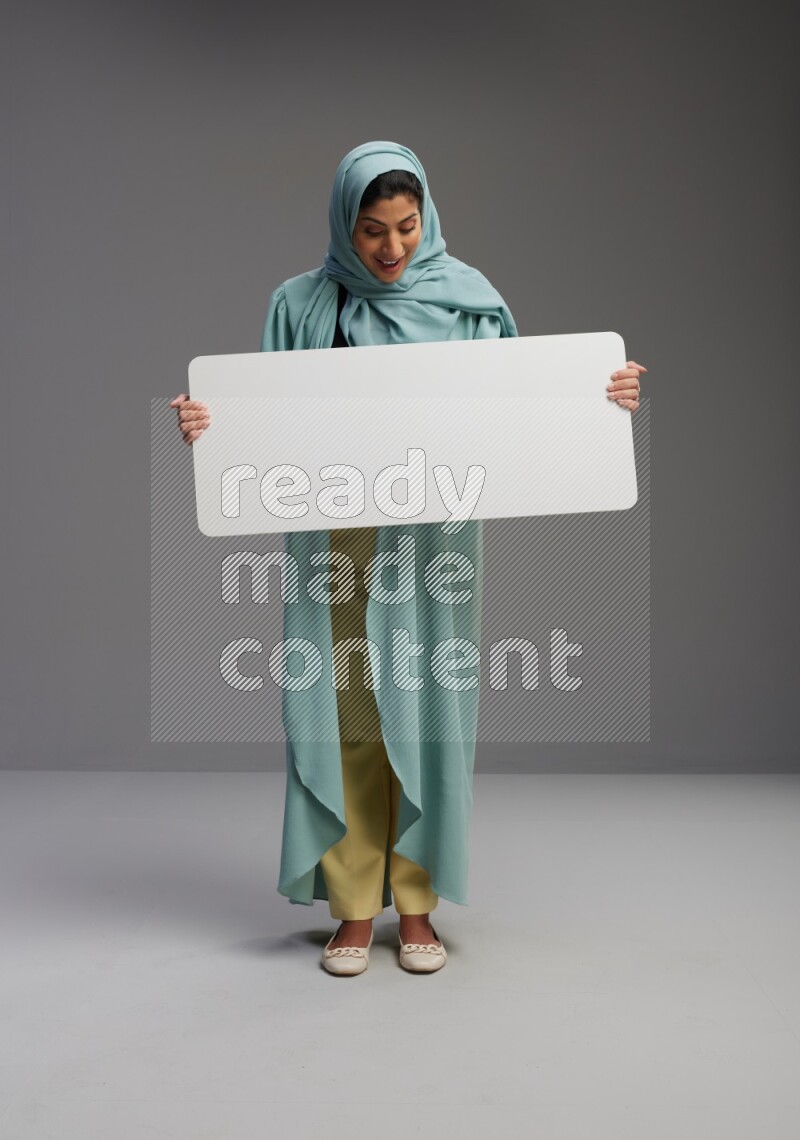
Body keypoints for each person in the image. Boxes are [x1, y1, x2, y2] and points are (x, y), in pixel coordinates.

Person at [170, 140, 646, 977]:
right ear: (342, 226)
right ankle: (355, 908)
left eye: (406, 226)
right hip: (334, 540)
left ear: (427, 219)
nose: (392, 249)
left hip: (435, 542)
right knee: (348, 710)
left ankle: (417, 907)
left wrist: (600, 396)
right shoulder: (300, 304)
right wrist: (210, 430)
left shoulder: (472, 302)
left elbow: (526, 412)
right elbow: (263, 420)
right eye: (371, 231)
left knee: (427, 712)